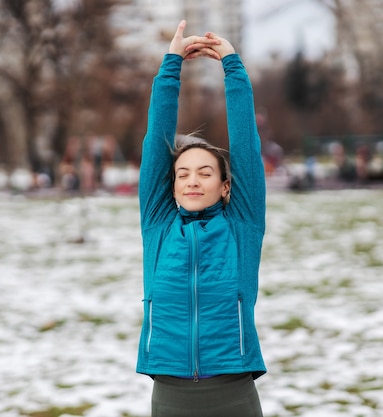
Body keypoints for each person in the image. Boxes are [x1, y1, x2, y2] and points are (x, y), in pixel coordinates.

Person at [136, 20, 266, 417]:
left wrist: (233, 68)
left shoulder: (241, 225)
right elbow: (156, 140)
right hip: (171, 393)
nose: (192, 181)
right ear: (171, 185)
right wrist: (171, 65)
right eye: (183, 173)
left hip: (233, 392)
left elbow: (245, 144)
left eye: (205, 173)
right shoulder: (158, 224)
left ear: (226, 187)